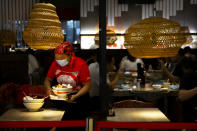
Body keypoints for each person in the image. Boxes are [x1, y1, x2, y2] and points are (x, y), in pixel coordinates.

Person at [44, 41, 91, 131]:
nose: (59, 61)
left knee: (73, 126)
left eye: (61, 58)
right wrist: (48, 89)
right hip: (61, 99)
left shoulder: (81, 64)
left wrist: (75, 96)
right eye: (57, 58)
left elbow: (87, 86)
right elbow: (47, 80)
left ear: (70, 55)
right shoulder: (55, 63)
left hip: (78, 99)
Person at [178, 56, 197, 122]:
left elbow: (181, 96)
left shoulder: (187, 76)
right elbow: (181, 96)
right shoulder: (188, 76)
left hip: (190, 116)